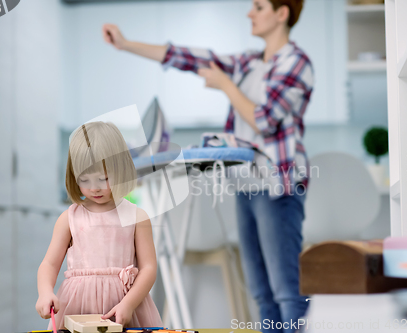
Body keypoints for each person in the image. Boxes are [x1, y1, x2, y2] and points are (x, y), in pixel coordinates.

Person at [103, 0, 312, 332]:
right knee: (261, 292)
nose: (250, 13)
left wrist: (226, 86)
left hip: (278, 185)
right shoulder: (248, 63)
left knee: (286, 291)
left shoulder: (296, 63)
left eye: (258, 7)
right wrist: (127, 44)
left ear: (281, 13)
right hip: (246, 183)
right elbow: (188, 57)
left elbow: (264, 120)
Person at [35, 121, 163, 329]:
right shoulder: (68, 218)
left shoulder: (137, 217)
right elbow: (49, 264)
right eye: (84, 180)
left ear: (121, 170)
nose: (94, 188)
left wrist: (128, 304)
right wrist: (45, 293)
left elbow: (149, 268)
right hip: (77, 309)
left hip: (125, 307)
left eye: (103, 178)